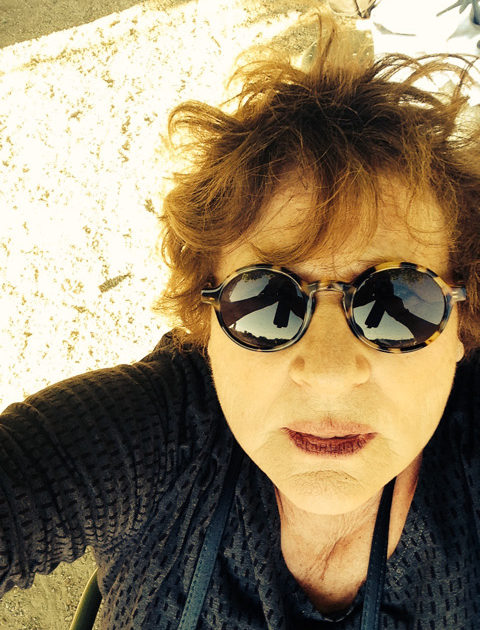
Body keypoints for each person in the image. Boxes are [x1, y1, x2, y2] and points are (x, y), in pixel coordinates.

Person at [1, 8, 480, 629]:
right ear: (205, 329)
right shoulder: (161, 434)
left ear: (461, 327)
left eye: (397, 304)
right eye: (266, 302)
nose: (329, 373)